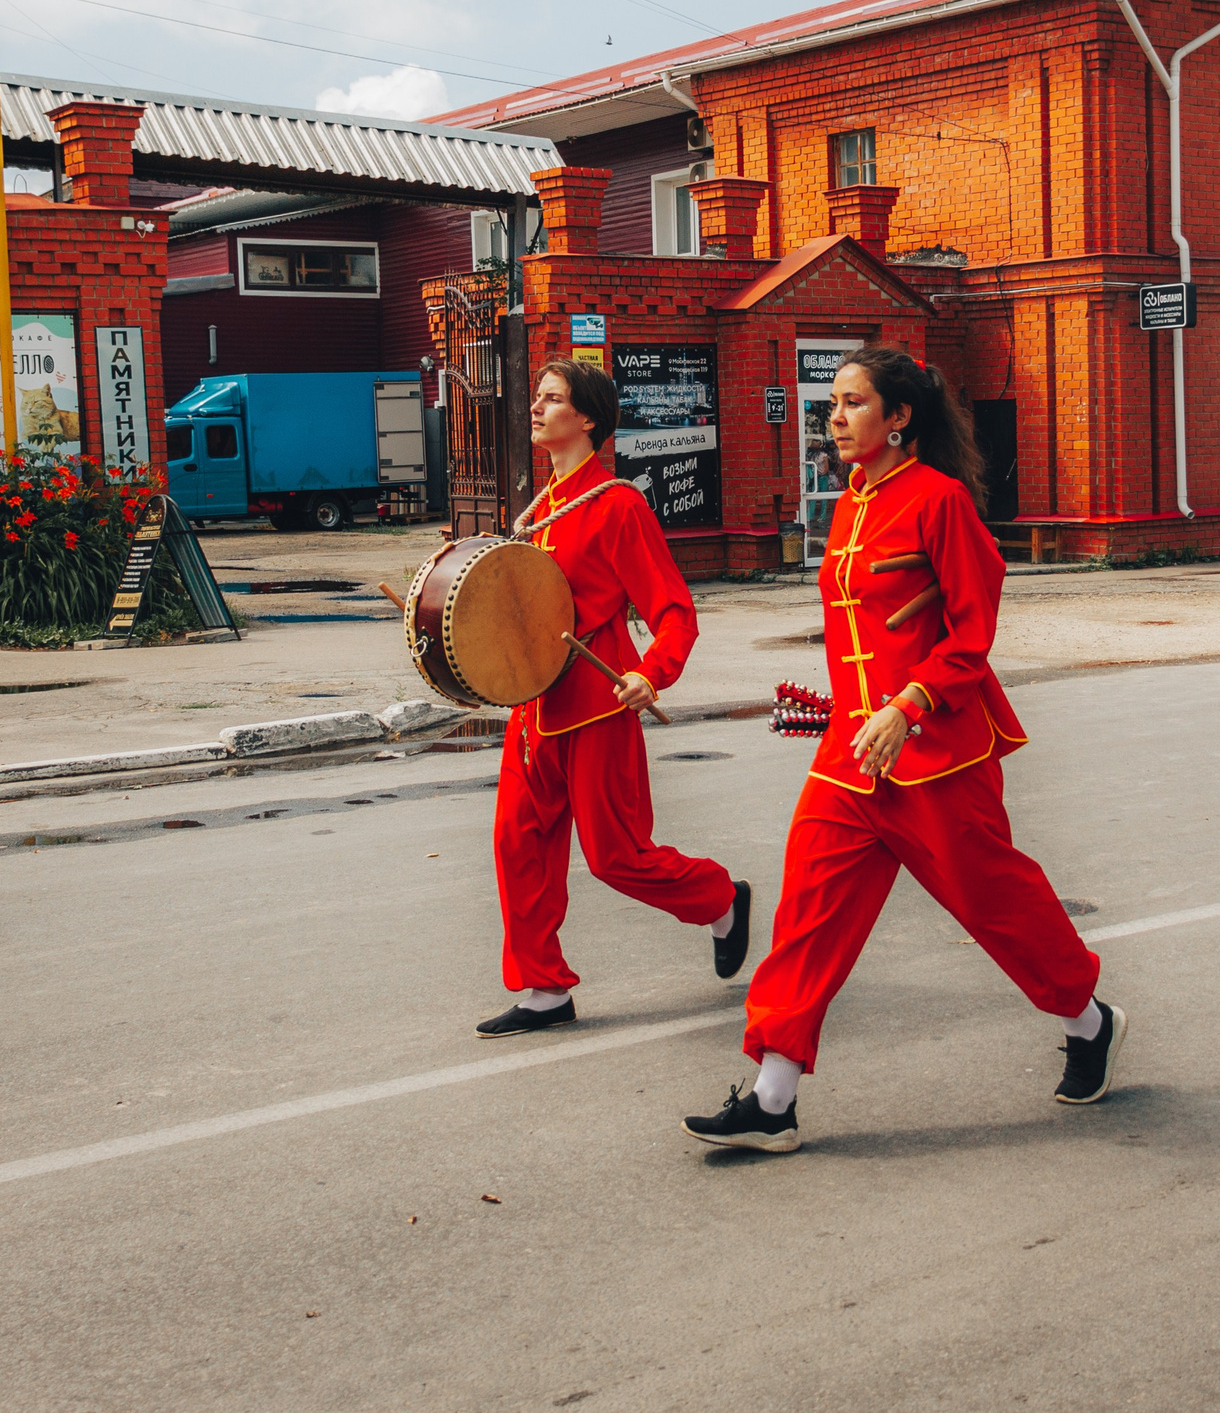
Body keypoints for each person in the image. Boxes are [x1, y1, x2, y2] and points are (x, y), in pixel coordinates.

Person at [682, 347, 1119, 1154]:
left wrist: (909, 704)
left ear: (900, 416)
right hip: (853, 754)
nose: (836, 417)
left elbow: (971, 630)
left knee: (993, 904)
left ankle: (1087, 1018)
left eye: (853, 403)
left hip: (936, 752)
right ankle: (773, 1098)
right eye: (835, 404)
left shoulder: (941, 501)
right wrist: (850, 713)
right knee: (807, 912)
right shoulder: (849, 505)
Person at [469, 363, 747, 1037]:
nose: (535, 405)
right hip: (534, 705)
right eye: (537, 395)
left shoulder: (617, 504)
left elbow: (675, 609)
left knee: (616, 854)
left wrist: (652, 672)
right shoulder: (540, 509)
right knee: (516, 841)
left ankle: (720, 898)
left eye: (553, 398)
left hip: (597, 702)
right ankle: (543, 989)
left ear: (588, 418)